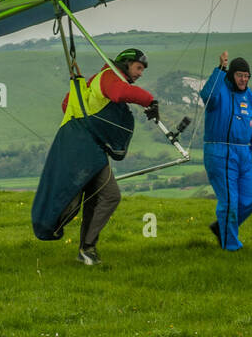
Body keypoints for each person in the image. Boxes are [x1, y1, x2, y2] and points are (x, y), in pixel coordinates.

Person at [32, 48, 158, 265]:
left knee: (97, 196)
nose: (140, 74)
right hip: (82, 149)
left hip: (86, 148)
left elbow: (67, 104)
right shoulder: (108, 76)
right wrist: (150, 100)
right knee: (108, 195)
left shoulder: (93, 83)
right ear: (126, 64)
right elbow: (119, 93)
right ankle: (84, 247)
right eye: (138, 68)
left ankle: (86, 250)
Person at [200, 51, 252, 251]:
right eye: (239, 75)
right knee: (230, 202)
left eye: (246, 76)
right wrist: (220, 69)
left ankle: (221, 228)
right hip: (219, 152)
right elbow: (207, 96)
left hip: (244, 154)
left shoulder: (249, 96)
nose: (243, 79)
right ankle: (231, 246)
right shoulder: (219, 91)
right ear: (231, 75)